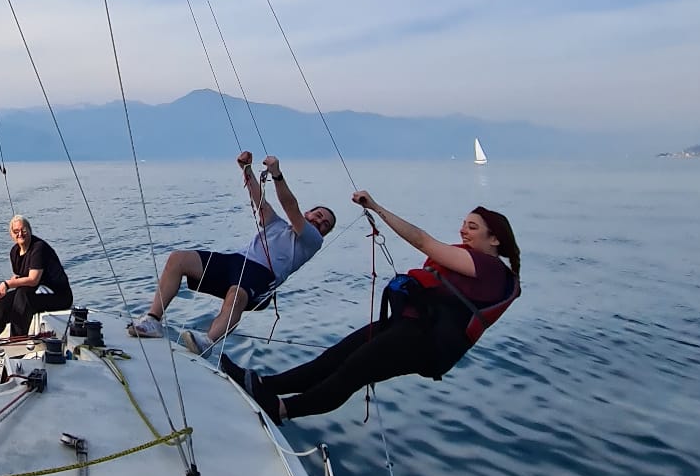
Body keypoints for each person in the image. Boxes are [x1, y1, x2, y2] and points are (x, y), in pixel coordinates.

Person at [221, 194, 521, 422]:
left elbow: (423, 241)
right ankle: (263, 384)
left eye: (472, 227)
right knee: (334, 357)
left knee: (352, 371)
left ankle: (282, 409)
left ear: (494, 239)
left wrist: (376, 207)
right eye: (464, 225)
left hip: (423, 340)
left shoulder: (490, 269)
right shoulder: (480, 264)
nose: (463, 232)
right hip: (408, 325)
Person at [128, 153, 335, 351]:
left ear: (324, 233)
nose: (320, 222)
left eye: (325, 224)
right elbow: (260, 201)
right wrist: (246, 169)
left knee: (237, 294)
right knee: (178, 259)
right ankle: (153, 320)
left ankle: (207, 342)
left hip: (263, 276)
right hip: (236, 262)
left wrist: (277, 175)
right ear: (308, 213)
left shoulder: (313, 241)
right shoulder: (277, 224)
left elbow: (291, 206)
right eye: (318, 215)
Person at [0, 215, 74, 342]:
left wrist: (7, 284)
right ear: (11, 234)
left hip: (58, 296)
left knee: (22, 295)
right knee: (1, 302)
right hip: (36, 292)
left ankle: (17, 339)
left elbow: (33, 280)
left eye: (24, 230)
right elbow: (19, 277)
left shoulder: (39, 248)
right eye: (16, 231)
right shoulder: (14, 251)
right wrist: (11, 284)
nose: (20, 234)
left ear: (30, 230)